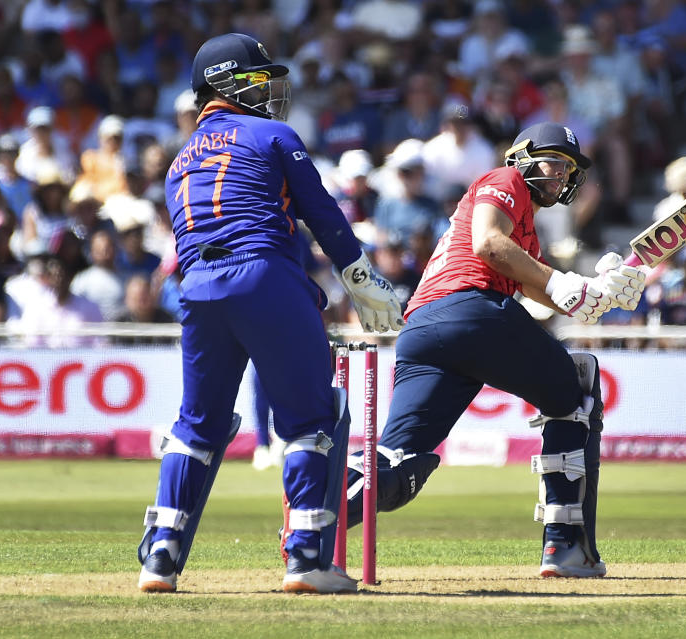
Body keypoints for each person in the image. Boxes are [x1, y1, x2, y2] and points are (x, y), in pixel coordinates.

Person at [136, 33, 403, 595]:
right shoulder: (273, 133)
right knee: (314, 416)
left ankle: (160, 554)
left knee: (197, 425)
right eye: (257, 78)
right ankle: (306, 558)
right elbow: (322, 213)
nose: (268, 89)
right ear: (226, 82)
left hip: (198, 291)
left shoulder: (179, 160)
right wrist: (362, 278)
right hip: (264, 275)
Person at [341, 122, 645, 578]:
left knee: (397, 464)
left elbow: (532, 282)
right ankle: (565, 548)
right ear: (521, 156)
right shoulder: (505, 181)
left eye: (568, 170)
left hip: (423, 329)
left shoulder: (525, 233)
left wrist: (592, 294)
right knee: (576, 392)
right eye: (554, 163)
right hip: (470, 310)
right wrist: (564, 284)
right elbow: (487, 245)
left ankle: (311, 527)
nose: (561, 176)